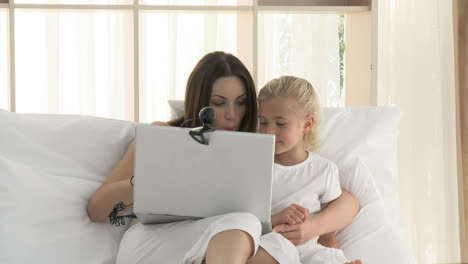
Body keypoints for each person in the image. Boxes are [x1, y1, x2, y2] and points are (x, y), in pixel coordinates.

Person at [87, 51, 360, 263]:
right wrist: (151, 178)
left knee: (283, 251)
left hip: (223, 249)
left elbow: (345, 201)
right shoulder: (163, 135)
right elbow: (98, 209)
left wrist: (312, 227)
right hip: (157, 244)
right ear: (200, 101)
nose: (231, 114)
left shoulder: (258, 146)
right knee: (246, 221)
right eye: (219, 103)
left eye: (241, 102)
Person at [256, 75, 362, 263]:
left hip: (310, 252)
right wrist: (276, 218)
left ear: (307, 124)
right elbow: (245, 220)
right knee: (278, 248)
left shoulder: (323, 170)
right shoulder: (256, 166)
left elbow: (327, 234)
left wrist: (336, 258)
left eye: (280, 124)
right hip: (271, 248)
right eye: (263, 122)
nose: (269, 131)